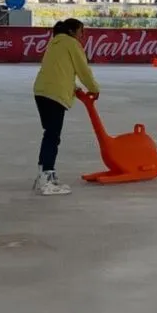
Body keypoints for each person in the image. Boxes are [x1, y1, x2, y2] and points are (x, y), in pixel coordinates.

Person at [32, 19, 100, 196]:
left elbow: (59, 70)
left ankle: (43, 175)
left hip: (41, 91)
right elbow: (83, 70)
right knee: (52, 136)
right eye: (81, 31)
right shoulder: (72, 44)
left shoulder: (54, 43)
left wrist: (75, 88)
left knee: (49, 134)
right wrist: (94, 89)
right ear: (72, 31)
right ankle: (47, 179)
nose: (82, 35)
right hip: (55, 94)